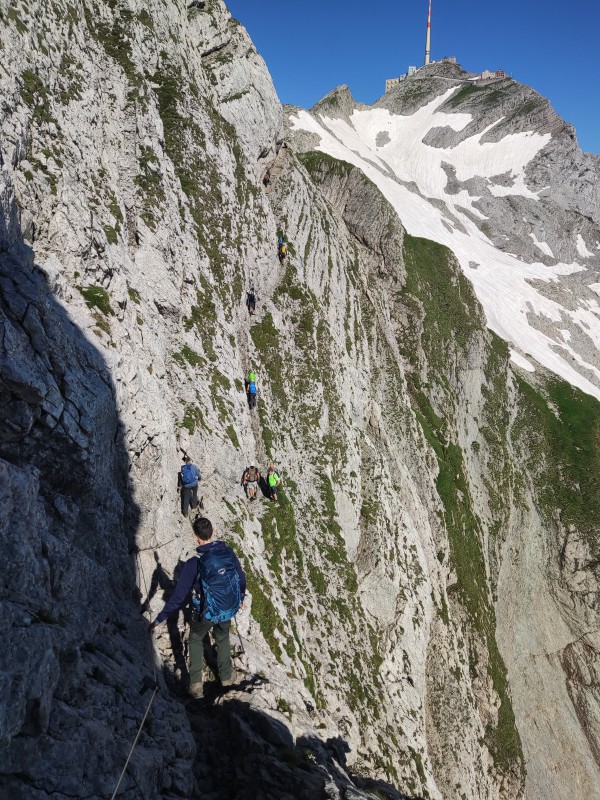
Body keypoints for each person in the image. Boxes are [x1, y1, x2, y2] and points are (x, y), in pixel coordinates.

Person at [150, 517, 246, 699]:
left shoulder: (193, 564)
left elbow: (178, 597)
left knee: (195, 639)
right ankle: (226, 677)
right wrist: (241, 596)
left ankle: (196, 686)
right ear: (213, 532)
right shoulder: (228, 552)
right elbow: (240, 577)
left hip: (206, 611)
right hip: (227, 606)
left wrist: (160, 618)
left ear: (196, 537)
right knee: (222, 636)